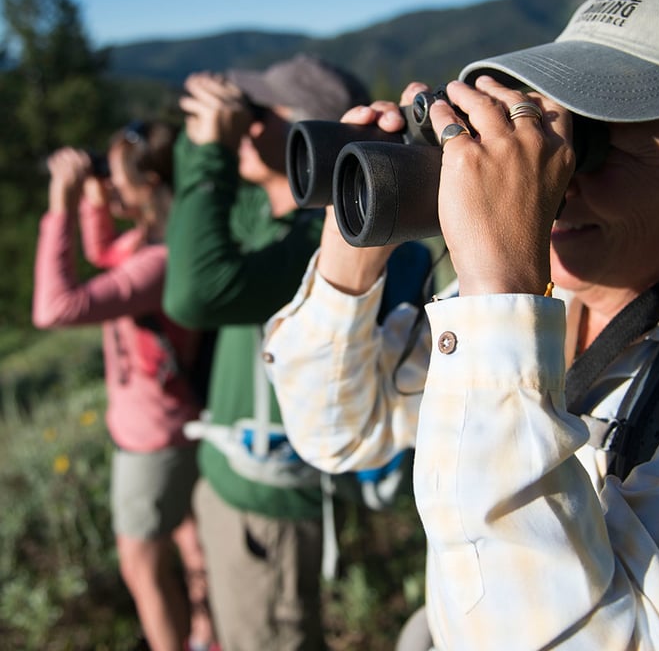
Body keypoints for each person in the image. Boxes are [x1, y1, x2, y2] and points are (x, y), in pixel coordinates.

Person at [264, 0, 659, 650]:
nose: (551, 172)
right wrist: (358, 233)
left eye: (593, 141)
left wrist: (501, 291)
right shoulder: (531, 304)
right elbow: (338, 430)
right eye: (543, 124)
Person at [163, 54, 430, 650]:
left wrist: (210, 153)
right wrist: (200, 146)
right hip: (230, 481)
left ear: (309, 130)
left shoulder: (321, 240)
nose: (241, 126)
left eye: (256, 113)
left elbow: (193, 292)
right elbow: (192, 222)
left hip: (269, 505)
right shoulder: (262, 210)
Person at [32, 121, 217, 651]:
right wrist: (93, 199)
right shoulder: (159, 242)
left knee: (142, 568)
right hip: (163, 424)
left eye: (114, 178)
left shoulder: (160, 262)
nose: (109, 186)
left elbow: (56, 308)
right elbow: (107, 257)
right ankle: (207, 635)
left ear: (150, 185)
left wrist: (59, 206)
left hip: (154, 439)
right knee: (189, 544)